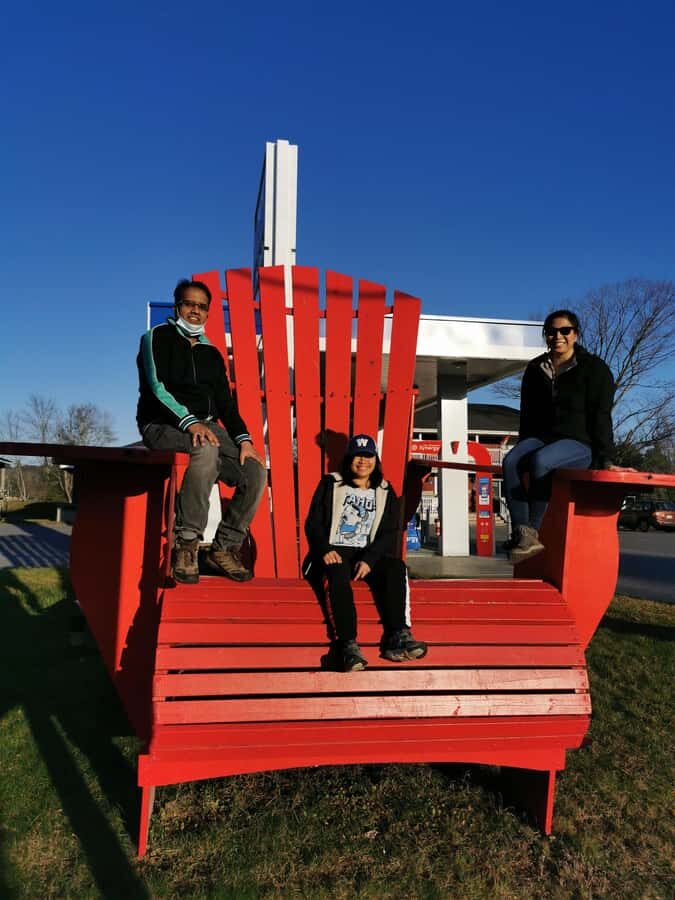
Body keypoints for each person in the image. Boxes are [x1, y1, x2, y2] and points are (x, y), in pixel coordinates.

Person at [136, 278, 267, 584]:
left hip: (206, 424)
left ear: (208, 313)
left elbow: (225, 402)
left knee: (256, 471)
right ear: (177, 305)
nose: (194, 311)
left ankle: (223, 548)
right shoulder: (156, 337)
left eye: (201, 307)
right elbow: (157, 388)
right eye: (188, 304)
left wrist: (243, 440)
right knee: (205, 449)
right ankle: (187, 543)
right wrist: (189, 422)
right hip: (161, 424)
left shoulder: (211, 353)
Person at [503, 308, 627, 563]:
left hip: (578, 443)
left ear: (576, 335)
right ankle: (520, 530)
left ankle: (532, 532)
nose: (558, 336)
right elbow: (527, 414)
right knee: (511, 461)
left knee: (542, 461)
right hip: (540, 438)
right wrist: (523, 444)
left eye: (564, 331)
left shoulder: (594, 369)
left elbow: (601, 415)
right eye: (551, 332)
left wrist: (606, 459)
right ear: (545, 336)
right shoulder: (536, 369)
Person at [304, 434, 427, 672]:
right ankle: (346, 645)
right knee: (337, 572)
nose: (363, 461)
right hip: (334, 553)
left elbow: (391, 530)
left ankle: (398, 636)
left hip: (366, 554)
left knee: (395, 568)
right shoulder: (331, 483)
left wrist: (370, 559)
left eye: (368, 456)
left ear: (375, 460)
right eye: (358, 456)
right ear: (349, 458)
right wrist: (325, 549)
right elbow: (313, 523)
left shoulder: (383, 489)